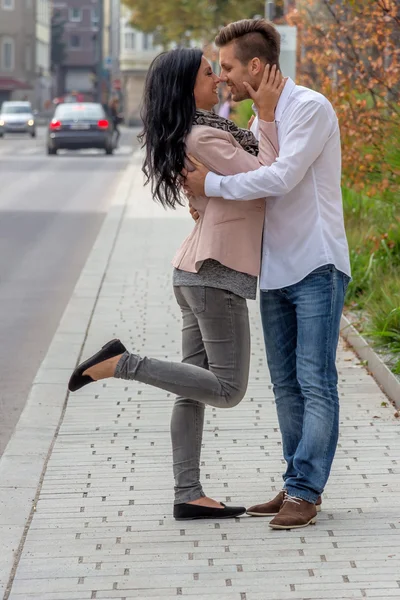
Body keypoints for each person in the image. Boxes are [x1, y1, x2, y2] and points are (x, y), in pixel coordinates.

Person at [68, 48, 285, 521]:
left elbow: (232, 190)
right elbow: (268, 178)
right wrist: (266, 117)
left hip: (196, 273)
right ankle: (123, 363)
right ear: (189, 85)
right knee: (228, 389)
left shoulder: (201, 131)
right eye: (210, 74)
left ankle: (188, 492)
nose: (218, 80)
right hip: (214, 275)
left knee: (193, 389)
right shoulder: (205, 135)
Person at [184, 19, 352, 530]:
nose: (225, 78)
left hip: (316, 262)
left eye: (229, 67)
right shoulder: (262, 120)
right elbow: (254, 171)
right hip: (275, 267)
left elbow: (278, 179)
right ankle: (294, 481)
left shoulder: (310, 108)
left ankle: (306, 490)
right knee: (285, 385)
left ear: (256, 66)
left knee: (315, 381)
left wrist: (210, 184)